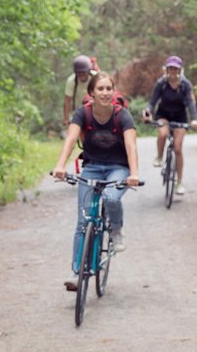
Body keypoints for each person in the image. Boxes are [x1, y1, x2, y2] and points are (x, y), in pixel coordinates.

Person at [53, 71, 141, 290]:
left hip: (118, 169)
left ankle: (117, 230)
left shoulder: (122, 116)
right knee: (83, 222)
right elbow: (71, 139)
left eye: (108, 89)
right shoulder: (83, 114)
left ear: (113, 92)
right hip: (91, 167)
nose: (104, 93)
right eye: (100, 89)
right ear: (91, 92)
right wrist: (60, 166)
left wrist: (134, 173)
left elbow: (131, 146)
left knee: (111, 198)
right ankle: (77, 273)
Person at [143, 55, 197, 195]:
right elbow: (152, 102)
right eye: (170, 68)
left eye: (175, 68)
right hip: (163, 114)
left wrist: (194, 119)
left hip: (180, 116)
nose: (173, 71)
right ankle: (159, 156)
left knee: (178, 148)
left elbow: (190, 103)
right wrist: (148, 112)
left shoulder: (185, 85)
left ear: (180, 70)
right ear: (166, 69)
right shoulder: (161, 83)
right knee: (162, 134)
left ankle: (179, 183)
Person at [63, 54, 96, 126]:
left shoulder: (95, 78)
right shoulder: (71, 81)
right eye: (78, 72)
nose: (81, 75)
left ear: (88, 71)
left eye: (83, 72)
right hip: (79, 110)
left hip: (95, 108)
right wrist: (66, 118)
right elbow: (67, 101)